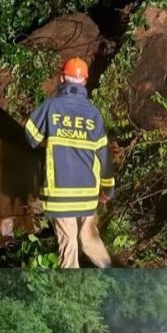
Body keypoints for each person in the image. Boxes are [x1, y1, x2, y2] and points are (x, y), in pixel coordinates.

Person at [24, 57, 114, 269]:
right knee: (90, 240)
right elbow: (104, 158)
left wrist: (51, 141)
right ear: (84, 82)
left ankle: (70, 296)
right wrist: (108, 191)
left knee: (69, 245)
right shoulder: (94, 114)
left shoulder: (51, 106)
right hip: (88, 195)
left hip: (60, 193)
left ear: (62, 78)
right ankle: (113, 274)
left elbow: (30, 137)